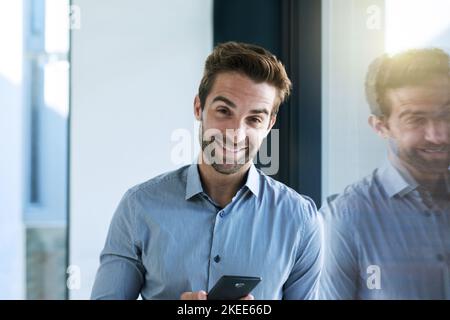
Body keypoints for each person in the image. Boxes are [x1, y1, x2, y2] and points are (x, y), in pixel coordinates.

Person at [91, 42, 322, 300]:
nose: (236, 133)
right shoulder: (138, 207)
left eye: (254, 119)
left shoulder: (300, 220)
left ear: (269, 124)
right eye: (224, 111)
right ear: (199, 108)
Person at [319, 48, 450, 299]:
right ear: (381, 126)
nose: (439, 135)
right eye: (416, 120)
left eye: (446, 114)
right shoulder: (343, 221)